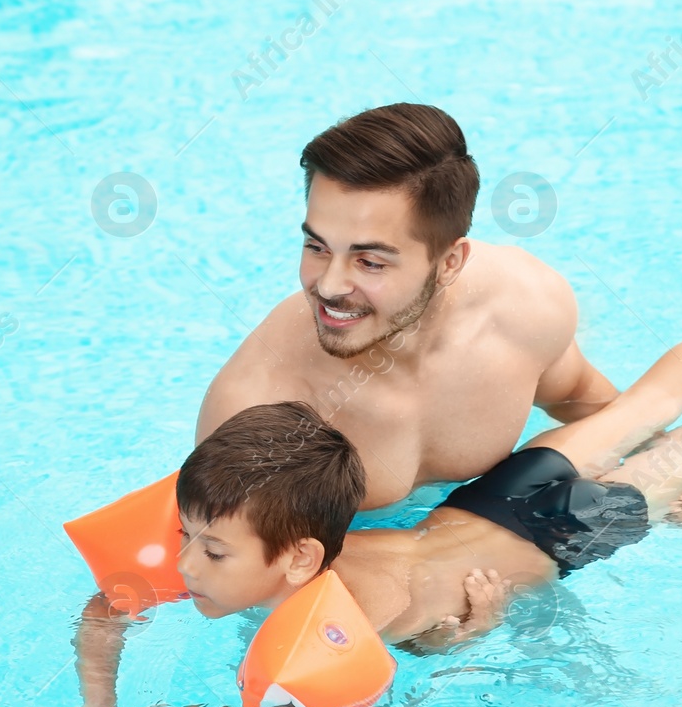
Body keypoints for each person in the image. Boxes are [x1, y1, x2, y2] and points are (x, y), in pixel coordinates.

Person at [60, 289, 682, 707]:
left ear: (299, 558)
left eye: (212, 549)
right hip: (490, 499)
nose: (186, 561)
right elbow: (109, 603)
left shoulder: (343, 611)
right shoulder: (281, 537)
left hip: (558, 532)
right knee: (651, 397)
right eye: (192, 536)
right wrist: (95, 705)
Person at [197, 101, 626, 511]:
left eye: (369, 262)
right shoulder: (255, 406)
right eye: (317, 247)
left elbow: (577, 397)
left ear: (449, 262)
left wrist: (651, 460)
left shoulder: (527, 308)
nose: (327, 286)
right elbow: (228, 565)